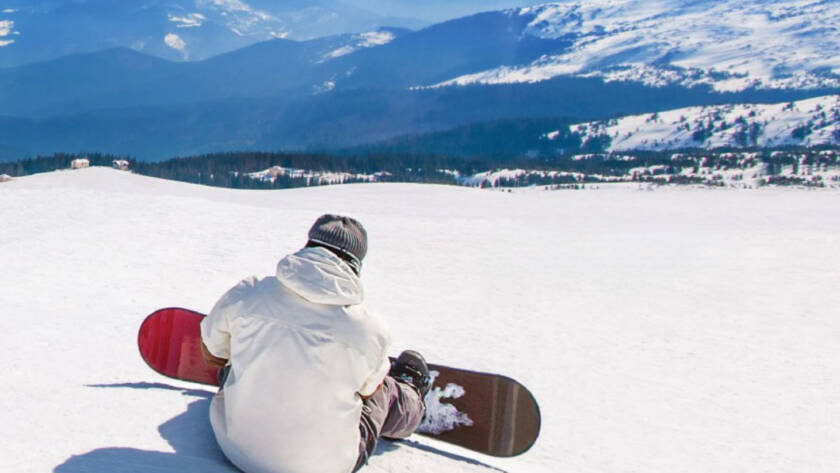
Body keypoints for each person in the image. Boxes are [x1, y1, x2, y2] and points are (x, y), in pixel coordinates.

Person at [199, 214, 431, 473]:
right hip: (325, 466)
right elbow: (367, 393)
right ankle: (412, 403)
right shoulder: (369, 331)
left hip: (235, 449)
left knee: (239, 356)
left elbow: (212, 354)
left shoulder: (249, 292)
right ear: (355, 265)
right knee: (383, 388)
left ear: (308, 246)